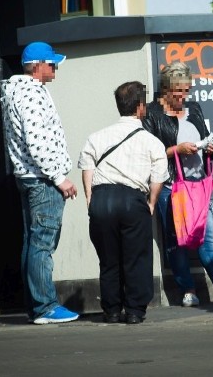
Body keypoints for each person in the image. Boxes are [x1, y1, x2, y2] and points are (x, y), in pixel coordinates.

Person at [143, 61, 213, 307]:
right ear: (166, 88)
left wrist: (210, 146)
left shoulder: (193, 108)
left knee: (207, 237)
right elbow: (148, 153)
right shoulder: (152, 113)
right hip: (170, 186)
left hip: (197, 185)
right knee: (175, 240)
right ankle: (187, 290)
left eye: (187, 90)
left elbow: (205, 134)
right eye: (179, 91)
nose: (184, 96)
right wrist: (176, 149)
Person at [0, 41, 80, 324]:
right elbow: (38, 142)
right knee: (42, 243)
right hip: (43, 179)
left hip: (29, 177)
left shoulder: (15, 91)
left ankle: (36, 306)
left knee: (32, 242)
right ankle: (45, 306)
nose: (55, 67)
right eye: (51, 62)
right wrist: (59, 178)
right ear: (37, 67)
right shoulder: (31, 95)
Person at [78, 81, 169, 324]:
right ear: (140, 107)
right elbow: (158, 177)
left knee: (109, 259)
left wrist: (89, 198)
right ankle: (135, 311)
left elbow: (87, 165)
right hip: (133, 200)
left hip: (101, 198)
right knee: (136, 257)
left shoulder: (97, 136)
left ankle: (111, 310)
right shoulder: (152, 142)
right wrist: (150, 203)